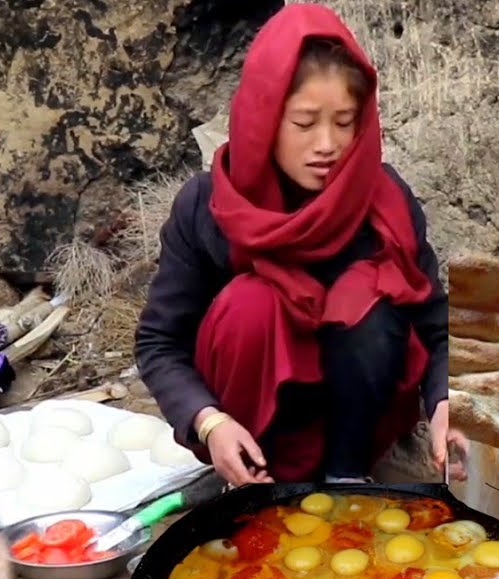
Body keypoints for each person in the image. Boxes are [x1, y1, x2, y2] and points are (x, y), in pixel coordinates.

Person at [135, 4, 465, 487]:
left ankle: (346, 479)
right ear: (264, 121)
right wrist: (210, 422)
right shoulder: (207, 208)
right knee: (253, 303)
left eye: (345, 122)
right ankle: (251, 477)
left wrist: (444, 405)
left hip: (358, 420)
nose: (327, 144)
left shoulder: (384, 201)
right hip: (246, 426)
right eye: (305, 123)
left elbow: (439, 330)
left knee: (370, 297)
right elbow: (159, 342)